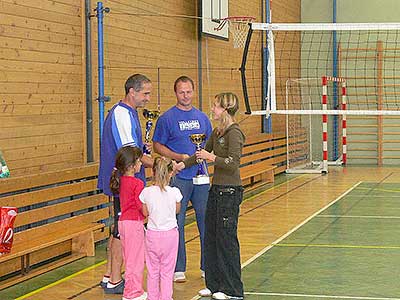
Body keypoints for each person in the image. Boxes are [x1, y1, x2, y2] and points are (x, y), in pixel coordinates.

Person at [177, 92, 245, 300]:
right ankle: (215, 284)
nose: (212, 110)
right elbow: (200, 154)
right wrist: (182, 165)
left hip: (230, 191)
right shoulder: (217, 132)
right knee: (211, 237)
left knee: (226, 240)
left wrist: (212, 157)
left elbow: (233, 163)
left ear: (225, 109)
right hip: (215, 190)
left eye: (215, 106)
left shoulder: (234, 133)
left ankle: (233, 289)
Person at [152, 75, 212, 282]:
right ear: (175, 93)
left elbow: (209, 144)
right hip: (179, 178)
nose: (185, 96)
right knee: (176, 222)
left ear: (193, 92)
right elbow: (157, 145)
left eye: (188, 91)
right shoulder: (167, 118)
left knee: (206, 222)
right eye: (181, 92)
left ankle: (207, 266)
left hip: (201, 178)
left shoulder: (203, 118)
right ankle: (178, 268)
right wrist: (178, 158)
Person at [97, 74, 153, 294]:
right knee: (124, 230)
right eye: (145, 93)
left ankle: (109, 274)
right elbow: (129, 155)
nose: (148, 98)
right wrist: (161, 165)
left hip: (126, 182)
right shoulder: (121, 114)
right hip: (125, 183)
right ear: (132, 91)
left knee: (117, 229)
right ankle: (114, 279)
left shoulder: (128, 113)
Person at [140, 157, 182, 300]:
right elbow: (177, 210)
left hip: (152, 235)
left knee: (153, 270)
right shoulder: (175, 192)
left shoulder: (146, 192)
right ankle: (166, 297)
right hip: (170, 235)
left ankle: (152, 297)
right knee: (167, 270)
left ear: (153, 172)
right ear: (171, 173)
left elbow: (145, 212)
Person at [110, 146, 147, 300]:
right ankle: (132, 292)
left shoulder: (122, 181)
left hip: (123, 223)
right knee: (135, 259)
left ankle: (133, 290)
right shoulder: (137, 183)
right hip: (133, 224)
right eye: (139, 161)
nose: (141, 164)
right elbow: (141, 206)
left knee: (129, 257)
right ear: (132, 166)